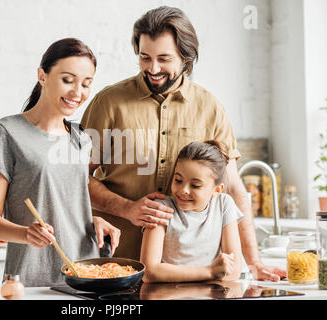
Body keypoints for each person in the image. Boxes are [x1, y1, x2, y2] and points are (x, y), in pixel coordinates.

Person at [80, 6, 286, 281]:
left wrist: (255, 261)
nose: (152, 69)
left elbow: (234, 189)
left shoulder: (211, 109)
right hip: (116, 266)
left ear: (186, 57)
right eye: (145, 58)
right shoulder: (108, 104)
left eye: (164, 58)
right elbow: (76, 178)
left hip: (196, 276)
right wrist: (126, 208)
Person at [0, 38, 120, 287]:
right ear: (42, 76)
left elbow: (68, 203)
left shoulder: (83, 138)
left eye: (86, 84)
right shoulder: (7, 132)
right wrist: (26, 233)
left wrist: (92, 221)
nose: (78, 93)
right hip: (32, 281)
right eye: (68, 80)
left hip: (85, 279)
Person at [140, 141, 243, 283]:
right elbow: (150, 272)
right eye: (178, 180)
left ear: (217, 190)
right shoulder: (160, 209)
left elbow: (234, 271)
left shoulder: (224, 205)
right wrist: (210, 271)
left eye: (195, 185)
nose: (184, 190)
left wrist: (213, 273)